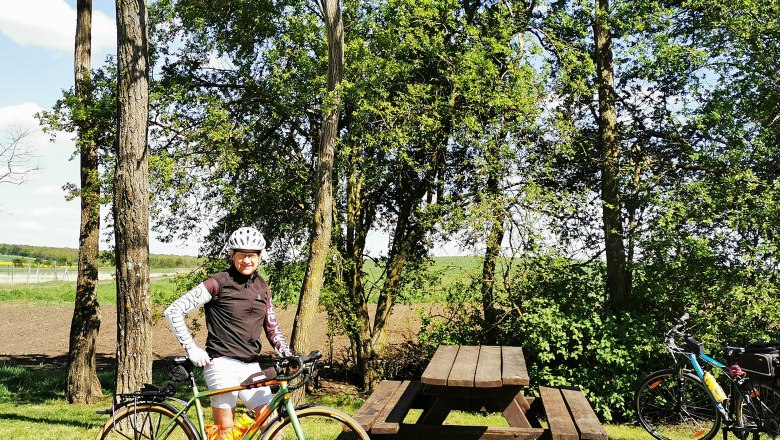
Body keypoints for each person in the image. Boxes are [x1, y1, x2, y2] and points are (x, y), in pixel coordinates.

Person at [164, 226, 293, 440]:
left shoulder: (262, 287)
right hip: (221, 364)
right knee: (226, 432)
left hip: (251, 365)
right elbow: (174, 310)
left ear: (260, 257)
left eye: (252, 256)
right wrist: (191, 348)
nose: (247, 261)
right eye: (242, 255)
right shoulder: (217, 283)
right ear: (232, 255)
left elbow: (271, 327)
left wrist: (286, 353)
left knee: (273, 429)